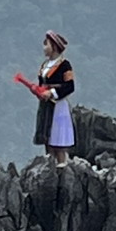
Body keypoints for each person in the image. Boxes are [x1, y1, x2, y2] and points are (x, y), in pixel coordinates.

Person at [34, 31, 75, 165]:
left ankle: (62, 166)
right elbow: (41, 84)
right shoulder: (44, 65)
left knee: (58, 141)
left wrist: (52, 93)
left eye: (47, 44)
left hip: (58, 105)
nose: (44, 48)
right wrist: (38, 91)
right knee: (47, 138)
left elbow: (69, 86)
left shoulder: (64, 65)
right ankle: (49, 166)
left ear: (54, 46)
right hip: (46, 104)